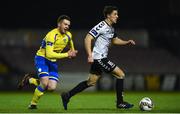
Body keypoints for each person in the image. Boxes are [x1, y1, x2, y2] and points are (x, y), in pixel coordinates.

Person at [61, 6, 135, 110]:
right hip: (99, 58)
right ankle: (120, 102)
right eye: (115, 14)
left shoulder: (111, 28)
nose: (117, 16)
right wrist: (90, 55)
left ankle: (67, 95)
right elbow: (88, 38)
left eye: (117, 14)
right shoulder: (102, 25)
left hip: (99, 58)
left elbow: (115, 40)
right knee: (120, 74)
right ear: (108, 15)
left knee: (91, 82)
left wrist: (126, 42)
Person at [18, 15, 78, 109]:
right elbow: (49, 54)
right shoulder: (52, 35)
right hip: (42, 58)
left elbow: (70, 41)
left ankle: (29, 80)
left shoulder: (68, 35)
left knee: (51, 88)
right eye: (65, 24)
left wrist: (73, 51)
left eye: (68, 25)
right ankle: (33, 104)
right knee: (45, 83)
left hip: (53, 62)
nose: (67, 26)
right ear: (59, 24)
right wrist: (67, 54)